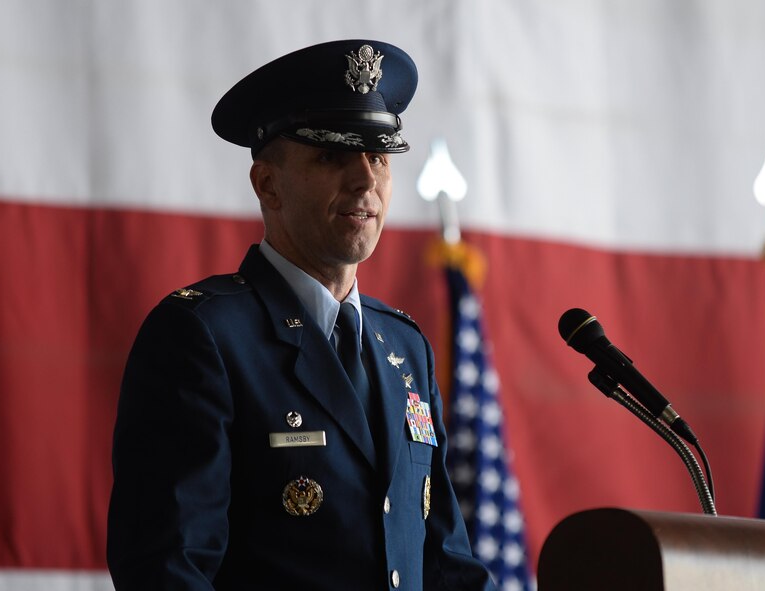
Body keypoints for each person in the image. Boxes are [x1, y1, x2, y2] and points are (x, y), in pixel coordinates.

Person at [106, 39, 496, 590]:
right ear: (268, 184)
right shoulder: (203, 336)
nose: (366, 181)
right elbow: (169, 571)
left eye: (378, 157)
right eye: (332, 156)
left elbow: (446, 565)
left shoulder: (406, 346)